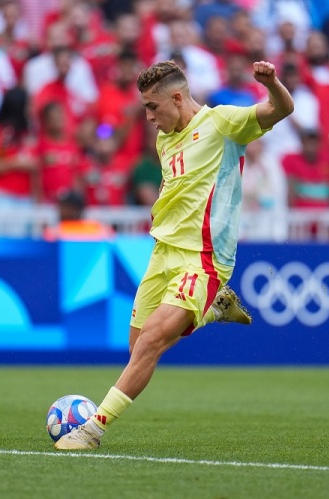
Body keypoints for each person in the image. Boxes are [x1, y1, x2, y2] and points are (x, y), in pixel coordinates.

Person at [54, 59, 294, 450]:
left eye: (153, 107)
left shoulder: (223, 123)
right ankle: (213, 310)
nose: (149, 117)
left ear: (178, 98)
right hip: (162, 252)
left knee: (151, 343)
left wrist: (271, 83)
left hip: (203, 258)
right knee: (138, 350)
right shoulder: (164, 140)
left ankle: (92, 430)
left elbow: (282, 109)